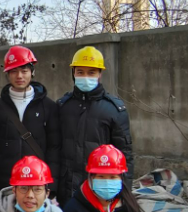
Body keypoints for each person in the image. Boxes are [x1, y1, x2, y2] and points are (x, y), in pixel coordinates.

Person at [0, 46, 61, 200]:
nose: (19, 76)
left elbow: (55, 147)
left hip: (38, 181)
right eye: (14, 71)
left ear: (32, 72)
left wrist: (52, 183)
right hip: (6, 182)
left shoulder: (49, 106)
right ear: (7, 74)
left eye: (24, 71)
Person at [57, 45, 133, 196]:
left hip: (100, 187)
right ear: (73, 73)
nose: (85, 77)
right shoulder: (62, 106)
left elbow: (125, 155)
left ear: (100, 74)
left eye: (91, 72)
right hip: (66, 188)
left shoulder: (114, 109)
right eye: (80, 72)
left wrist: (125, 192)